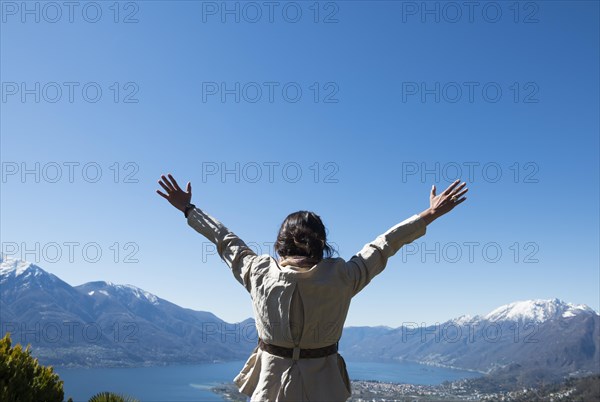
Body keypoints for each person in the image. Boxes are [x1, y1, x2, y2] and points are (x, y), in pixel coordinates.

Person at [156, 174, 468, 401]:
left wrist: (189, 209)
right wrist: (430, 213)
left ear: (280, 243)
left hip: (270, 387)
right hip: (324, 388)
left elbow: (224, 239)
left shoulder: (258, 272)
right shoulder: (342, 277)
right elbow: (385, 244)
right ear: (322, 245)